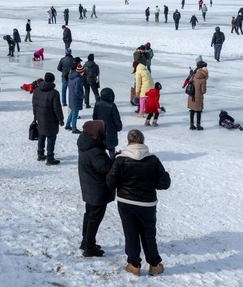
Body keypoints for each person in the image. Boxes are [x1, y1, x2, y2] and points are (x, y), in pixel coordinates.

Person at [106, 129, 171, 277]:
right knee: (149, 235)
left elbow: (110, 182)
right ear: (143, 141)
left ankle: (134, 265)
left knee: (131, 234)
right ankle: (155, 265)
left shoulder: (120, 159)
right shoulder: (153, 160)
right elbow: (164, 183)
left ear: (128, 142)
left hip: (126, 202)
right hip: (147, 204)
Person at [77, 120, 114, 257]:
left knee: (89, 215)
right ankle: (89, 247)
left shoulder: (86, 144)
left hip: (90, 187)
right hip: (97, 190)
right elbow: (106, 169)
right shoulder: (95, 151)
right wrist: (114, 160)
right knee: (94, 218)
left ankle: (85, 241)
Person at [32, 72, 64, 165]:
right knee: (51, 138)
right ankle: (50, 158)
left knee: (41, 136)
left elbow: (34, 104)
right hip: (51, 120)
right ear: (53, 80)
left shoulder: (37, 90)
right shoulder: (54, 93)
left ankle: (40, 154)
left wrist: (35, 116)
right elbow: (57, 108)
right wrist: (61, 120)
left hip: (40, 117)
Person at [188, 61, 208, 130]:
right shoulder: (203, 79)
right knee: (199, 111)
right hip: (198, 97)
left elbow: (189, 81)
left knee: (192, 110)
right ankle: (198, 125)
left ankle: (191, 125)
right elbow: (203, 91)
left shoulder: (194, 75)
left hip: (192, 95)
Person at [66, 63, 85, 134]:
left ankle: (68, 124)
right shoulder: (78, 79)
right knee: (75, 113)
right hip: (76, 98)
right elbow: (77, 91)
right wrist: (82, 96)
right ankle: (74, 128)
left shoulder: (71, 77)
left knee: (72, 112)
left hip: (71, 96)